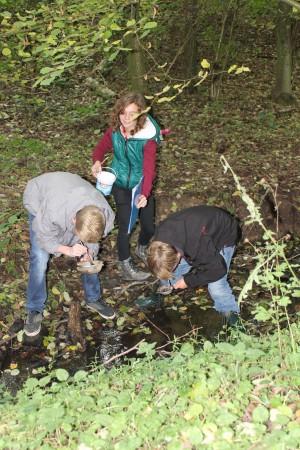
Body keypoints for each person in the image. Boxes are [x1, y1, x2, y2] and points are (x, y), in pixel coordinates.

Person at [23, 172, 116, 337]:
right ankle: (34, 308)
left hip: (71, 192)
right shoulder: (52, 210)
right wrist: (68, 250)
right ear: (74, 220)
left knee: (88, 257)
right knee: (40, 258)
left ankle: (93, 298)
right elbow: (44, 237)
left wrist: (89, 254)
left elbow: (92, 241)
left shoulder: (106, 217)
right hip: (40, 194)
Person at [91, 92, 161, 281]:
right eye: (123, 113)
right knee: (126, 226)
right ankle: (125, 263)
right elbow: (100, 148)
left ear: (140, 115)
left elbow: (149, 170)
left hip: (140, 184)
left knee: (148, 227)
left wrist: (145, 194)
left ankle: (142, 247)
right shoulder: (115, 130)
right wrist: (97, 161)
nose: (126, 118)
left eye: (132, 113)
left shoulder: (147, 139)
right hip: (119, 182)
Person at [147, 205, 241, 322]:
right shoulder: (159, 239)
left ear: (178, 256)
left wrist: (188, 281)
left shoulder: (198, 247)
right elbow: (162, 263)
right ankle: (161, 293)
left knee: (216, 287)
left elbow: (218, 269)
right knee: (169, 272)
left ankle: (232, 316)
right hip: (197, 229)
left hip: (224, 236)